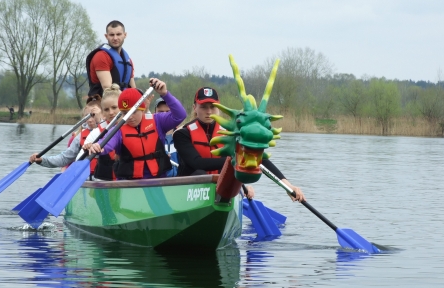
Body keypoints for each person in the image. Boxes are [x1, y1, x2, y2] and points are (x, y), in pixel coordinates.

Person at [173, 87, 306, 202]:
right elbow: (197, 163)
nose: (209, 111)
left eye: (213, 107)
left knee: (234, 179)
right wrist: (236, 158)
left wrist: (288, 186)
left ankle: (237, 191)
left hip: (223, 188)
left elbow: (260, 159)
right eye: (203, 107)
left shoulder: (232, 133)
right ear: (194, 108)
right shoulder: (182, 134)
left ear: (218, 108)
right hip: (190, 190)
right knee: (200, 172)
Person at [89, 78, 187, 180]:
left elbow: (180, 115)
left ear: (143, 109)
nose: (130, 117)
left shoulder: (158, 121)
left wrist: (165, 94)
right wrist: (98, 146)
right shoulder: (118, 130)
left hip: (157, 180)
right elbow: (107, 143)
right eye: (125, 113)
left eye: (133, 112)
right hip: (131, 184)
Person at [29, 99, 102, 174]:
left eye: (93, 115)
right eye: (87, 116)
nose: (89, 120)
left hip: (106, 178)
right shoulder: (79, 137)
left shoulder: (111, 131)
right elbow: (64, 159)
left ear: (102, 114)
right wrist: (42, 160)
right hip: (84, 179)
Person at [80, 84, 122, 180]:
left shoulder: (132, 126)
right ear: (102, 113)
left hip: (125, 180)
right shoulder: (96, 132)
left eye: (114, 107)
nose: (111, 112)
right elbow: (81, 157)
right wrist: (89, 148)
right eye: (106, 109)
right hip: (103, 181)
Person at [86, 20, 136, 96]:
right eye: (112, 35)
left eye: (118, 34)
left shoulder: (128, 60)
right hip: (102, 103)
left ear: (125, 35)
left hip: (122, 104)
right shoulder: (101, 56)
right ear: (106, 36)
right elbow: (107, 88)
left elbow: (133, 89)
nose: (115, 38)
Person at [153, 97, 178, 176]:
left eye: (168, 112)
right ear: (154, 113)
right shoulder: (150, 137)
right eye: (160, 112)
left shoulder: (182, 135)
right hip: (160, 182)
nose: (164, 115)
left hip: (181, 182)